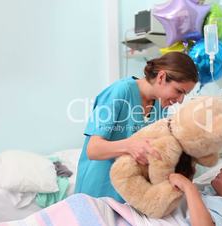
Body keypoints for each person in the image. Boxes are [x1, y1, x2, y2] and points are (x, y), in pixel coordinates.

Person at [74, 52, 199, 202]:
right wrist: (129, 146)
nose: (180, 100)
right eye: (179, 91)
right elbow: (93, 149)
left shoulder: (160, 105)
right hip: (96, 192)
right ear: (161, 77)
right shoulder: (120, 92)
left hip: (127, 195)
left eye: (184, 94)